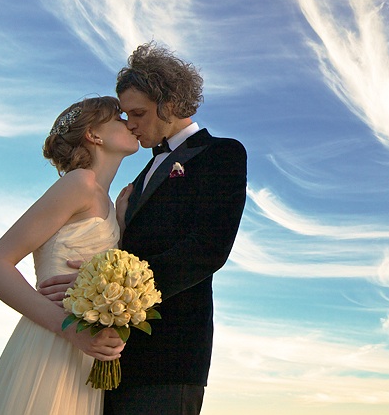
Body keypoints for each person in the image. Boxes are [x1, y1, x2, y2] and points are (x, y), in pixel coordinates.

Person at [39, 42, 247, 415]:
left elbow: (208, 249)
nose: (131, 124)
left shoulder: (222, 154)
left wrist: (108, 289)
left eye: (138, 113)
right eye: (125, 114)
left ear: (169, 104)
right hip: (105, 355)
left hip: (170, 357)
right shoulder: (137, 179)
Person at [0, 96, 140, 414]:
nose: (130, 121)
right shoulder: (80, 183)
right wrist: (70, 330)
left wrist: (120, 224)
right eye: (119, 117)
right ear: (94, 134)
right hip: (51, 346)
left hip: (84, 360)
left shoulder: (108, 202)